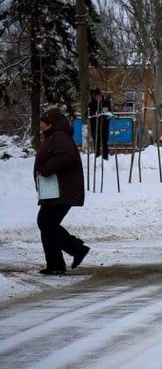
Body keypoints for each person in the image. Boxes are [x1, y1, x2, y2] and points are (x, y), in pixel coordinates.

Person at [34, 107, 89, 275]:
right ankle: (61, 260)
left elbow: (66, 156)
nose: (41, 126)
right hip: (57, 190)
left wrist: (47, 169)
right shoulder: (55, 136)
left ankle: (71, 252)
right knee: (46, 223)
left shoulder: (59, 137)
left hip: (62, 190)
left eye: (43, 123)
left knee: (46, 223)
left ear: (51, 124)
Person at [87, 88, 112, 159]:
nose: (98, 97)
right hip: (95, 126)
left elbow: (111, 111)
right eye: (96, 96)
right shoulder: (91, 105)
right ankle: (97, 157)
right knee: (96, 142)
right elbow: (88, 114)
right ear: (94, 96)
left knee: (104, 142)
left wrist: (107, 111)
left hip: (104, 124)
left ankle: (105, 157)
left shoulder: (106, 103)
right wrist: (94, 114)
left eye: (99, 96)